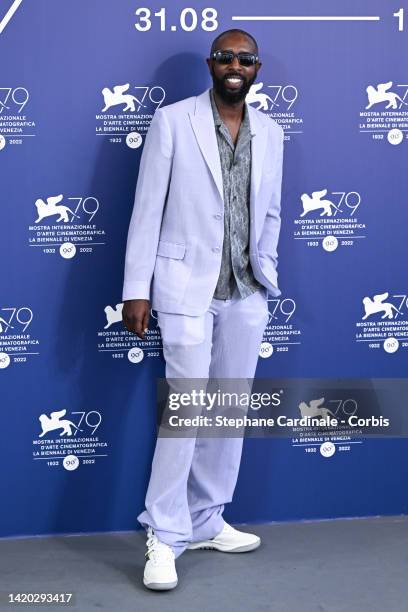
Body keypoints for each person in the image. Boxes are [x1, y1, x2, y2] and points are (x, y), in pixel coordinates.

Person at [122, 28, 285, 591]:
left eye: (244, 58)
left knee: (227, 415)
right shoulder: (173, 122)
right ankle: (164, 536)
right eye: (225, 57)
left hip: (245, 293)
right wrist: (136, 289)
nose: (234, 65)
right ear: (210, 64)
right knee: (185, 415)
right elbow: (147, 212)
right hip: (185, 289)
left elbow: (271, 213)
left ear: (257, 68)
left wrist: (265, 272)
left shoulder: (273, 132)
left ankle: (206, 519)